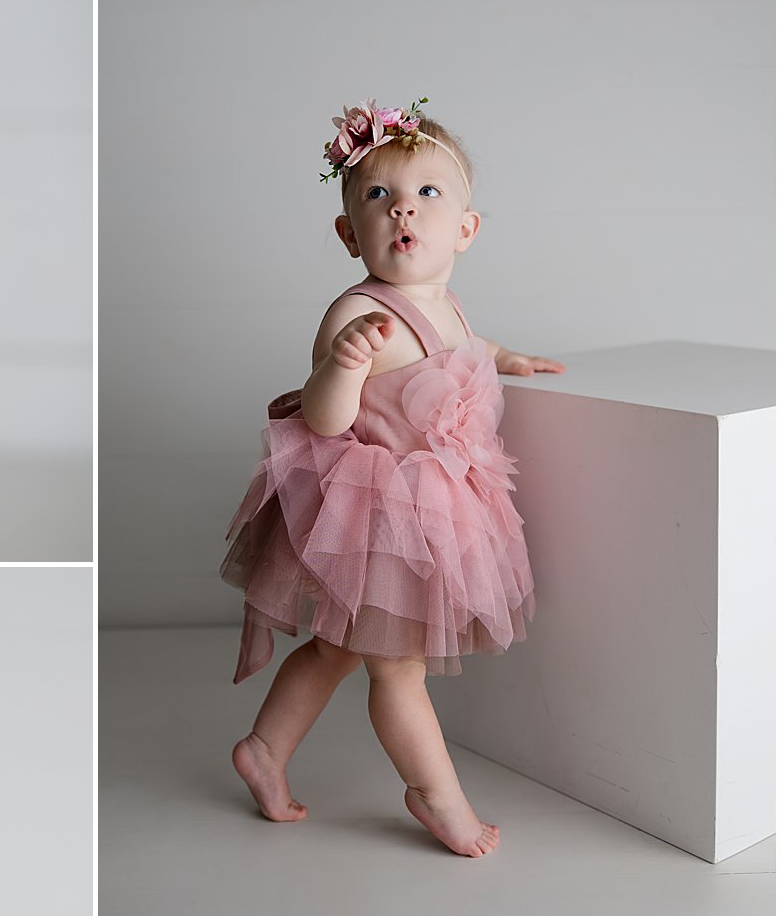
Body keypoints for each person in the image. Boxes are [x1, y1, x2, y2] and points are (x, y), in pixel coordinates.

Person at [224, 99, 565, 855]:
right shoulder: (357, 311)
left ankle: (264, 749)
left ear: (464, 231)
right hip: (376, 514)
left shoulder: (444, 302)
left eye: (426, 193)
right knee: (399, 668)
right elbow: (321, 419)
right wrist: (340, 366)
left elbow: (465, 344)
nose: (402, 208)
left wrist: (507, 359)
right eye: (377, 196)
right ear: (351, 234)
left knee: (336, 649)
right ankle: (435, 795)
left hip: (437, 506)